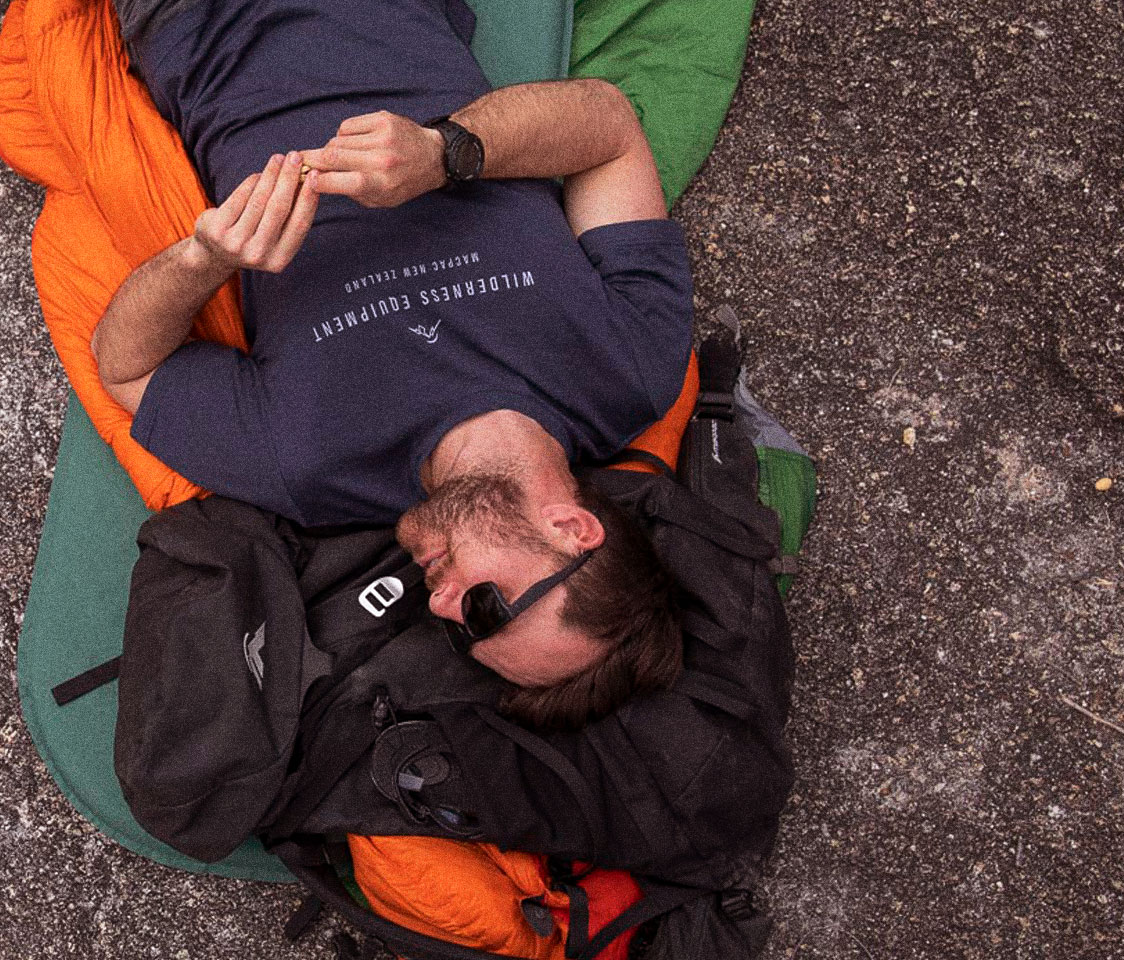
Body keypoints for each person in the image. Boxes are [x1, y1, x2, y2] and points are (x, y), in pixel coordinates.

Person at [91, 0, 689, 727]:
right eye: (488, 608)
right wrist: (447, 153)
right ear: (573, 531)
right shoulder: (629, 371)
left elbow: (124, 367)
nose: (439, 604)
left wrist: (204, 258)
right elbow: (607, 127)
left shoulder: (313, 467)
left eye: (461, 631)